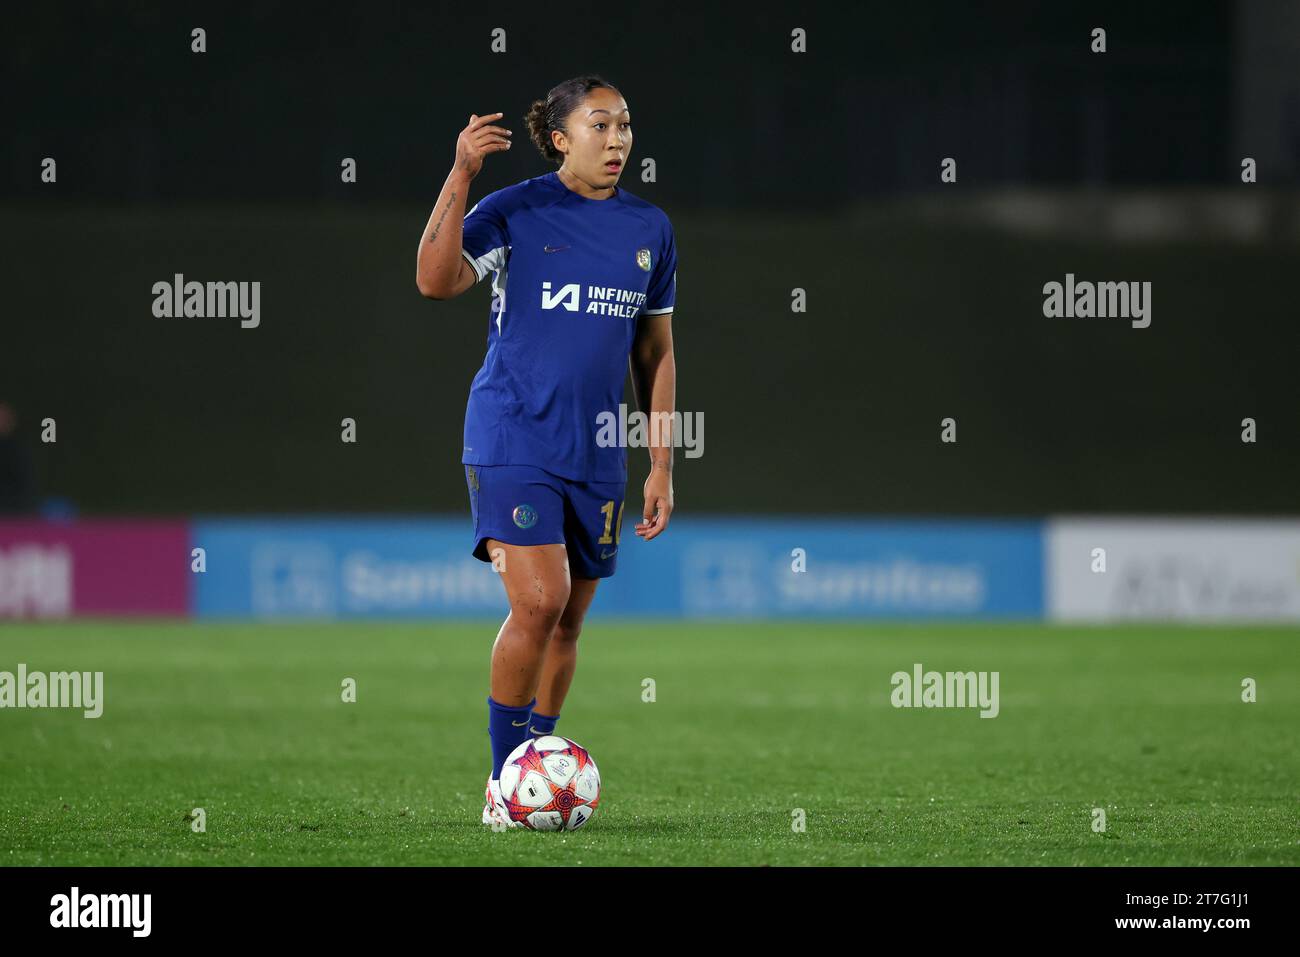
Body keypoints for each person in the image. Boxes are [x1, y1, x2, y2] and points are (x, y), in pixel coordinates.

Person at [415, 75, 678, 827]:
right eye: (601, 125)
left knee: (568, 621)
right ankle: (504, 783)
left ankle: (539, 765)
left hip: (598, 451)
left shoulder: (650, 229)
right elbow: (435, 282)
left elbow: (656, 352)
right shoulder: (517, 211)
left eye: (626, 125)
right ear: (561, 137)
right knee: (539, 599)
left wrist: (660, 461)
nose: (619, 139)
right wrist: (462, 173)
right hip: (512, 433)